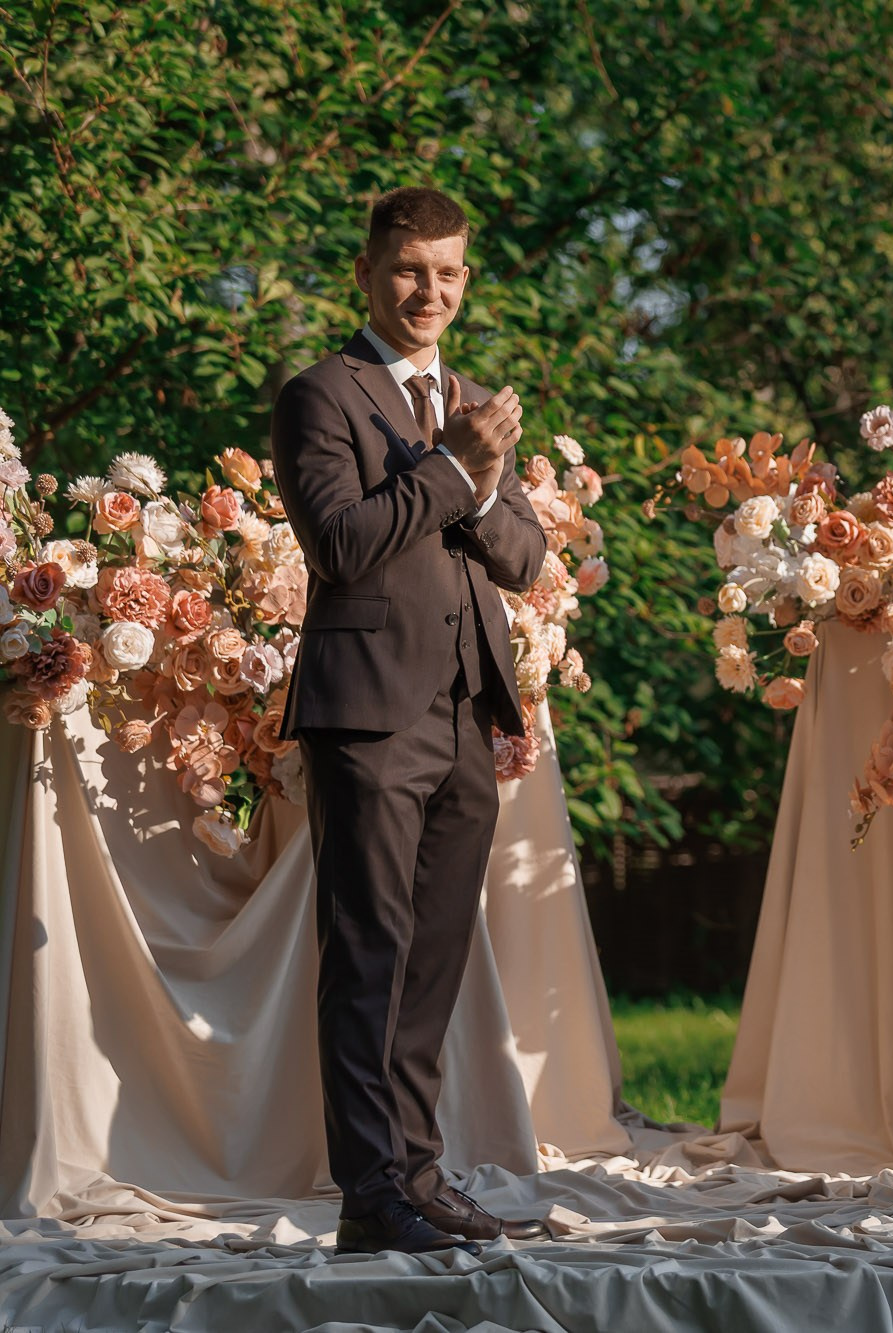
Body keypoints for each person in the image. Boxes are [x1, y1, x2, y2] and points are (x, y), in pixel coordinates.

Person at [272, 187, 554, 1255]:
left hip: (465, 713)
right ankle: (369, 1194)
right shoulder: (320, 395)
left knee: (431, 960)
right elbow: (340, 546)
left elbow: (522, 558)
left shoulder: (475, 401)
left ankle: (418, 1175)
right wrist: (452, 468)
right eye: (406, 269)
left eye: (445, 272)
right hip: (366, 713)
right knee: (367, 955)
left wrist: (477, 482)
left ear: (465, 280)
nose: (427, 290)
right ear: (367, 274)